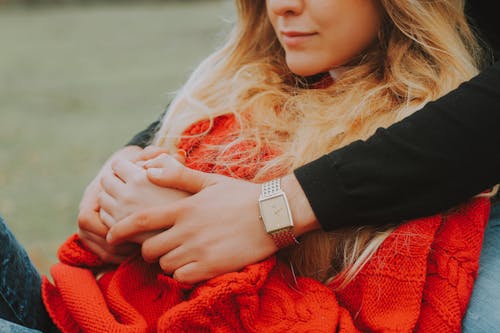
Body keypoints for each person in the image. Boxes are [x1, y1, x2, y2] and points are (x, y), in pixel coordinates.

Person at [0, 0, 495, 332]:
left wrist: (245, 235)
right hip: (70, 313)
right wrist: (126, 185)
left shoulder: (417, 150)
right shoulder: (237, 93)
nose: (282, 5)